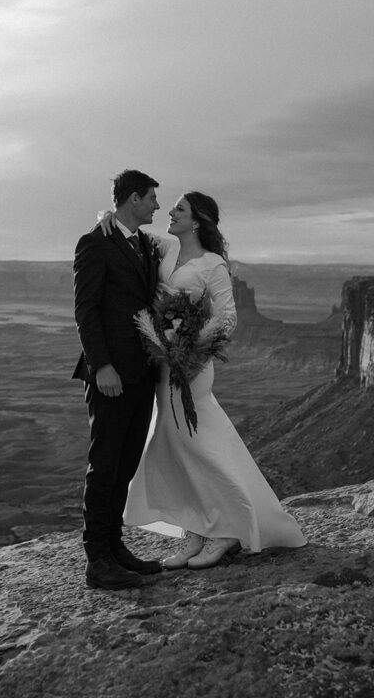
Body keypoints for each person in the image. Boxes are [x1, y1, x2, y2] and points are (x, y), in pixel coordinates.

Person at [100, 191, 306, 569]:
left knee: (197, 442)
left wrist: (193, 350)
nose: (170, 213)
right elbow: (124, 227)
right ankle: (196, 528)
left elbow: (227, 317)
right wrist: (105, 217)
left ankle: (227, 529)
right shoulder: (165, 248)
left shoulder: (213, 264)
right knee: (172, 443)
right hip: (161, 364)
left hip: (191, 366)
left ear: (196, 221)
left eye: (179, 209)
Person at [73, 168, 164, 591]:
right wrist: (102, 365)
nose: (157, 207)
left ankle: (115, 547)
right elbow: (86, 311)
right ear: (132, 200)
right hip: (110, 374)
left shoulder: (145, 243)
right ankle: (98, 561)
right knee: (104, 464)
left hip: (142, 373)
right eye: (151, 199)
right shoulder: (95, 244)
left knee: (126, 463)